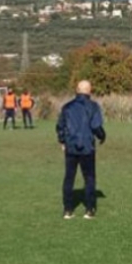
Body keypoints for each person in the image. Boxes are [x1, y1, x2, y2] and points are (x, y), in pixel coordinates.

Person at [56, 80, 106, 220]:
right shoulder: (93, 106)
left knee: (69, 178)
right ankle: (89, 210)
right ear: (89, 90)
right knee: (89, 178)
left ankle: (67, 210)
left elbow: (60, 126)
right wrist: (102, 136)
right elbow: (96, 127)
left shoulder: (67, 107)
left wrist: (62, 140)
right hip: (87, 147)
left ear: (77, 90)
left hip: (71, 146)